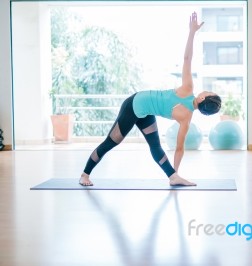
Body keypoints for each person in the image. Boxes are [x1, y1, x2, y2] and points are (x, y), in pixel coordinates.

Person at [79, 12, 222, 187]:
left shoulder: (188, 89)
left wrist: (192, 33)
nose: (207, 90)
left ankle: (173, 177)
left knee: (155, 146)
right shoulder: (186, 119)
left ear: (202, 97)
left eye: (209, 92)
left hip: (144, 110)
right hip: (134, 104)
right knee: (113, 141)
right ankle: (84, 174)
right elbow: (179, 148)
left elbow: (187, 59)